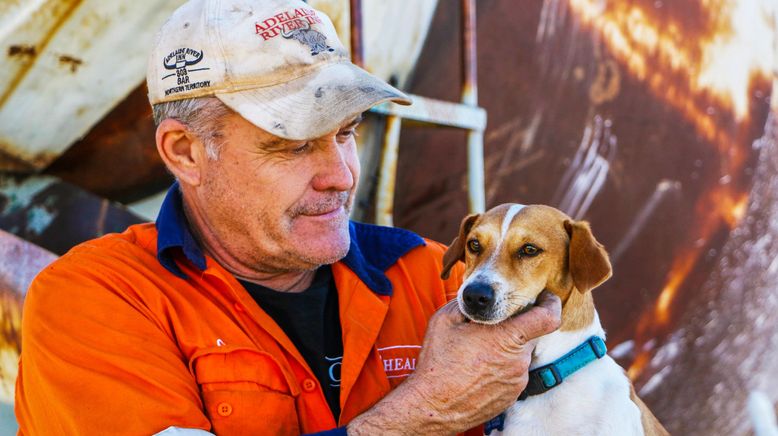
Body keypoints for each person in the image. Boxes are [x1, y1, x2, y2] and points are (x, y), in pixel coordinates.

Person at [14, 0, 561, 434]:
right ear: (184, 152)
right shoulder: (96, 300)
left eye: (347, 132)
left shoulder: (427, 274)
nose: (342, 175)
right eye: (294, 145)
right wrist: (420, 417)